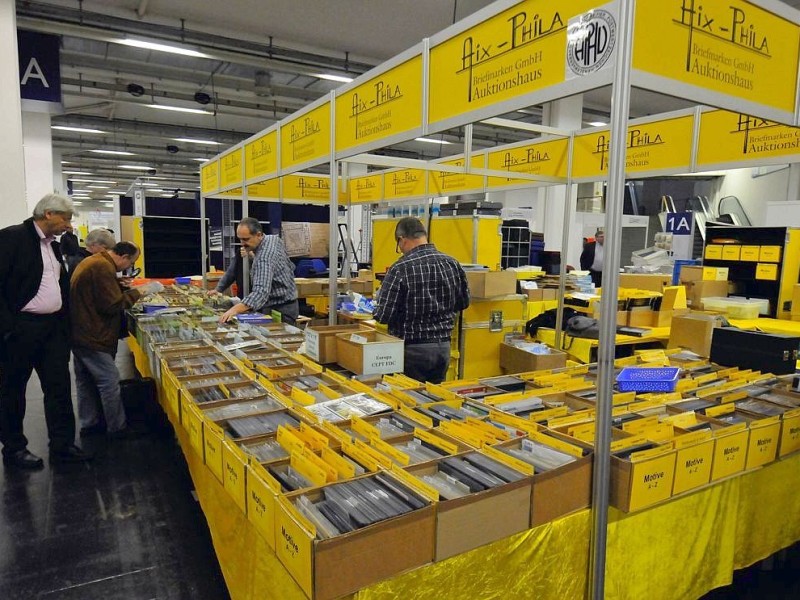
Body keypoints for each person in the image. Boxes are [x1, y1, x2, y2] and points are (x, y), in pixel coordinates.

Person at [0, 193, 90, 468]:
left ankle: (62, 445)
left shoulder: (53, 246)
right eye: (66, 218)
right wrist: (9, 328)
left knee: (59, 388)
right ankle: (14, 448)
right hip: (20, 330)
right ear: (48, 214)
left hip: (52, 330)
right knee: (12, 390)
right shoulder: (12, 238)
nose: (69, 225)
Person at [70, 242, 163, 437]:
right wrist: (141, 291)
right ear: (124, 257)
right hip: (94, 335)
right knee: (109, 381)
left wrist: (117, 284)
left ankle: (90, 423)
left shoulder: (96, 262)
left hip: (81, 332)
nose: (128, 267)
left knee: (85, 380)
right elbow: (112, 305)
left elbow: (96, 294)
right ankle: (117, 427)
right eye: (131, 262)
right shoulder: (102, 267)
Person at [373, 217, 470, 384]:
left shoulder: (400, 268)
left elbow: (383, 315)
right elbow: (464, 302)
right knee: (430, 402)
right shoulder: (452, 263)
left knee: (404, 402)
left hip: (411, 351)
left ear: (402, 240)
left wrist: (375, 307)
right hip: (443, 349)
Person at [219, 218, 298, 324]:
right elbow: (289, 266)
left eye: (246, 239)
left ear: (259, 235)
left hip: (280, 309)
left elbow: (260, 292)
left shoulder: (264, 257)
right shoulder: (273, 239)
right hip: (287, 304)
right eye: (240, 239)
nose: (242, 243)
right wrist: (253, 257)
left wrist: (233, 310)